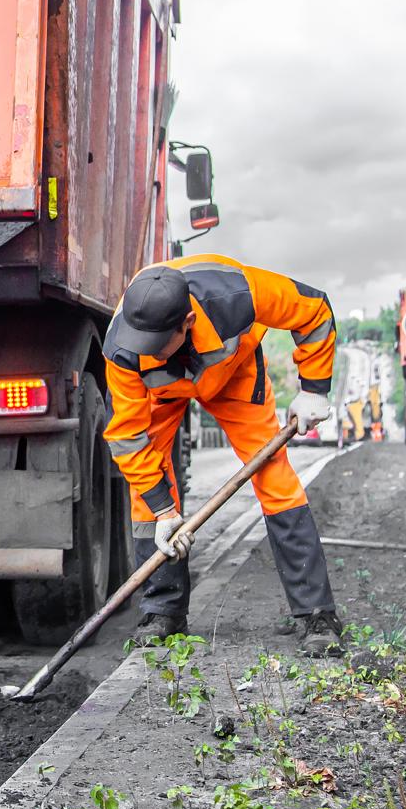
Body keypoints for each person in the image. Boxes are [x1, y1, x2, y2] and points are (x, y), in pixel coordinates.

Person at [102, 254, 345, 656]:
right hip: (161, 394)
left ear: (187, 324)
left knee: (275, 480)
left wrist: (313, 388)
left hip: (233, 375)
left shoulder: (236, 293)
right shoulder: (123, 347)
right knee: (147, 493)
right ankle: (163, 610)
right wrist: (165, 512)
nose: (148, 351)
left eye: (157, 344)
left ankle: (316, 614)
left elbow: (314, 309)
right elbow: (127, 436)